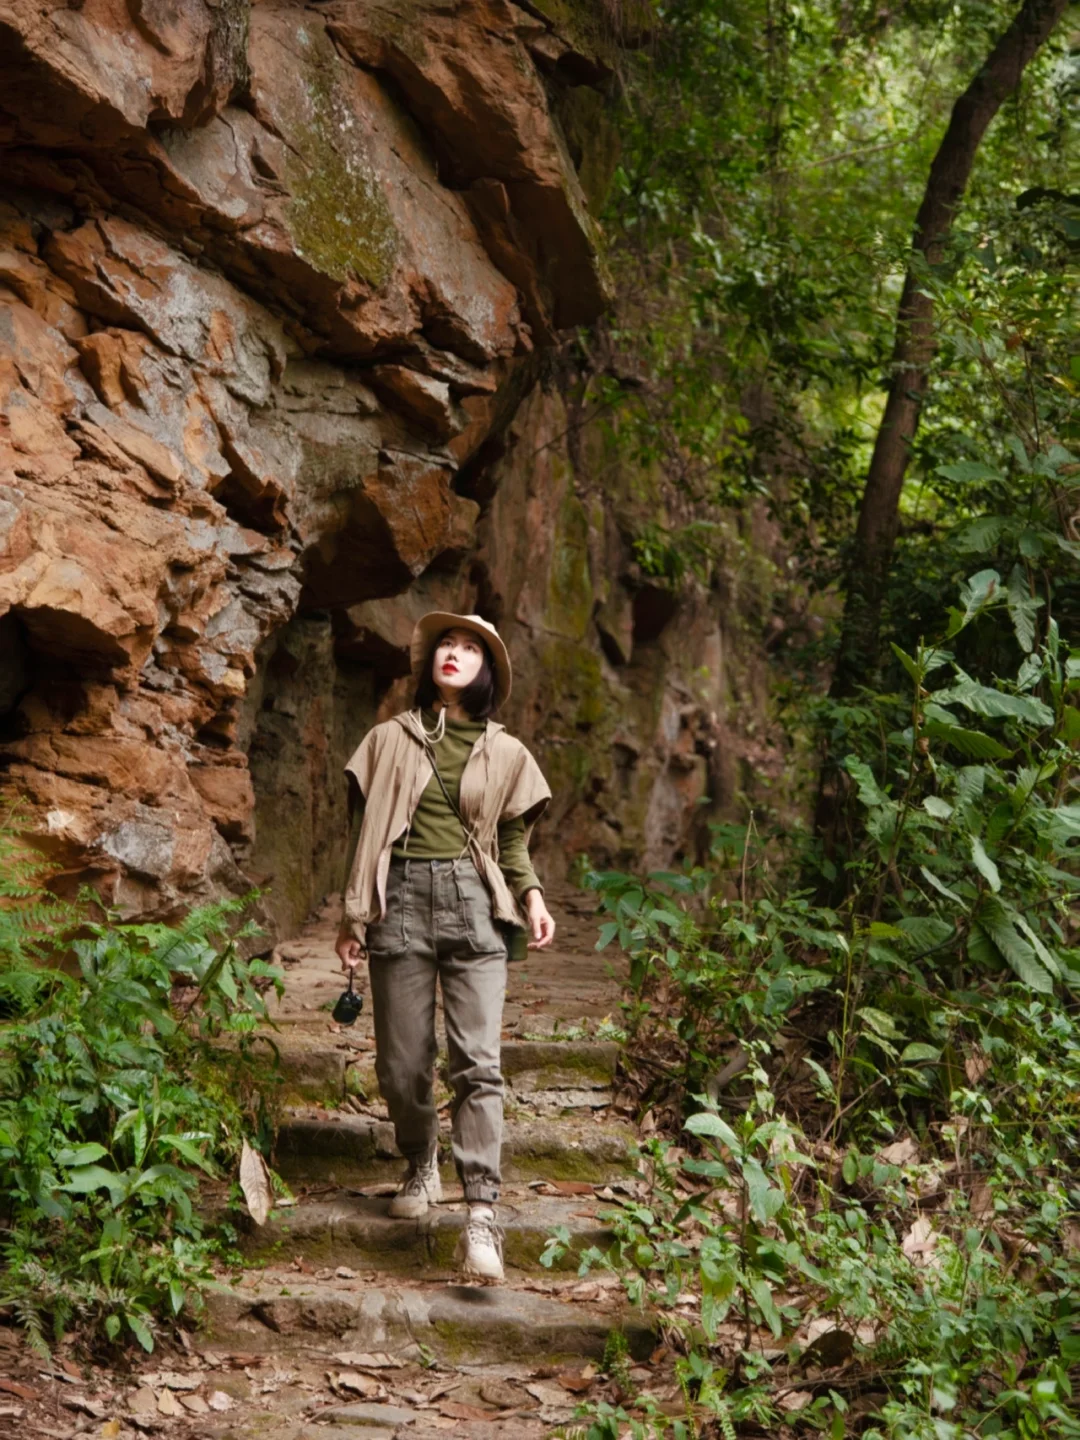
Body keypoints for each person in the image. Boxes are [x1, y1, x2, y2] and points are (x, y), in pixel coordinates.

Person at [335, 612, 556, 1282]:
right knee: (402, 1065)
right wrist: (352, 917)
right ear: (429, 662)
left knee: (478, 1064)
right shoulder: (385, 740)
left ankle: (481, 1214)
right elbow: (363, 835)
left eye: (471, 650)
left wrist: (534, 896)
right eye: (447, 646)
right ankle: (419, 1159)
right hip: (398, 901)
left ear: (487, 672)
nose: (455, 654)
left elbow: (512, 843)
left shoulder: (506, 752)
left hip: (475, 907)